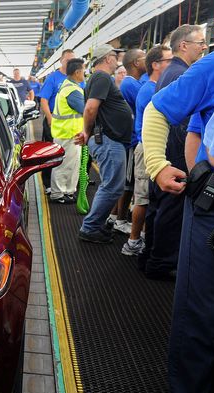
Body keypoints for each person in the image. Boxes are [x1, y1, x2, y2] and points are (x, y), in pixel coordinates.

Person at [142, 43, 214, 393]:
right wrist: (157, 165)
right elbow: (160, 110)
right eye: (195, 39)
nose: (200, 43)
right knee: (203, 308)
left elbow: (198, 126)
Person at [139, 24, 207, 280]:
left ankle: (150, 256)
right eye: (199, 42)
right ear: (184, 45)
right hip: (175, 151)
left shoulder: (171, 72)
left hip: (164, 149)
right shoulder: (182, 74)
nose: (204, 47)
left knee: (158, 206)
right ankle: (161, 262)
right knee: (171, 209)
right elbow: (180, 121)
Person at [74, 44, 132, 244]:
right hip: (108, 140)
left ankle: (95, 225)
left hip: (107, 140)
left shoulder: (98, 78)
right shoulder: (101, 77)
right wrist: (87, 132)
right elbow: (91, 109)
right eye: (115, 56)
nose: (117, 60)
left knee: (112, 186)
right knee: (112, 187)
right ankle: (90, 228)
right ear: (108, 58)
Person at [122, 45, 172, 257]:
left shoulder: (154, 87)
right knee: (142, 197)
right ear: (156, 65)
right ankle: (133, 242)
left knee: (146, 196)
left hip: (149, 147)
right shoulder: (149, 90)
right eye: (170, 60)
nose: (174, 64)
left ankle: (142, 237)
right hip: (146, 148)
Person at [110, 49, 147, 237]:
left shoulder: (130, 83)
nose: (147, 60)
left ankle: (115, 214)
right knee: (128, 183)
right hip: (131, 139)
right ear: (135, 63)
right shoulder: (132, 85)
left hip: (128, 138)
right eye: (144, 58)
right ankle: (121, 220)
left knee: (126, 181)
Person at [40, 49, 76, 195]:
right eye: (67, 60)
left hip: (70, 126)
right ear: (61, 60)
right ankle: (48, 184)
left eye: (73, 61)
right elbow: (44, 100)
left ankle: (65, 186)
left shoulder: (76, 78)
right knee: (50, 155)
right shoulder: (53, 78)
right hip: (54, 122)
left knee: (67, 157)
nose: (70, 63)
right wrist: (49, 119)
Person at [49, 58, 85, 203]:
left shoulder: (68, 86)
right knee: (64, 166)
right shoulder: (72, 91)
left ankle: (67, 192)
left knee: (70, 165)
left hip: (68, 133)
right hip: (67, 134)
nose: (85, 74)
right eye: (84, 71)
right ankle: (58, 194)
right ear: (77, 72)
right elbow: (85, 110)